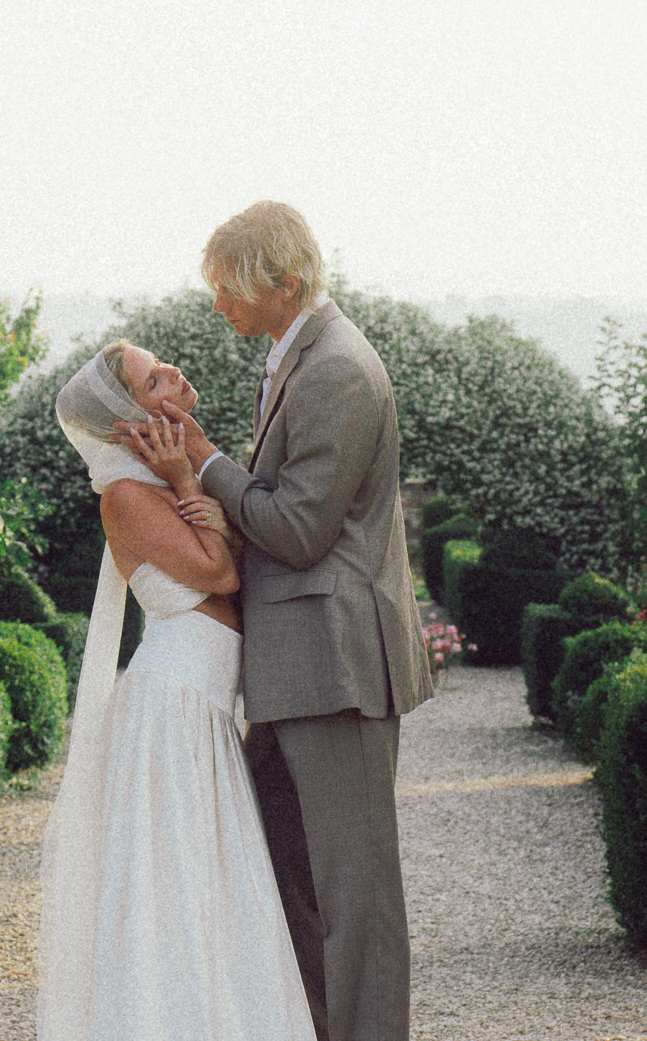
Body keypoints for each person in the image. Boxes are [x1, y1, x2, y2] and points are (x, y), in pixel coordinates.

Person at [127, 200, 430, 1041]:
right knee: (280, 867)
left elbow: (298, 528)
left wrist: (204, 460)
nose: (218, 304)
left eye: (228, 289)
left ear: (285, 282)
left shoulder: (337, 367)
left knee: (355, 893)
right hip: (300, 670)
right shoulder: (294, 358)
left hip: (336, 669)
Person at [36, 340, 317, 1041]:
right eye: (157, 377)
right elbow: (218, 575)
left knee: (216, 884)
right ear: (131, 411)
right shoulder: (128, 494)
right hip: (172, 707)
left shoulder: (157, 479)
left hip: (203, 707)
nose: (178, 374)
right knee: (176, 888)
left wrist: (188, 472)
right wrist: (190, 483)